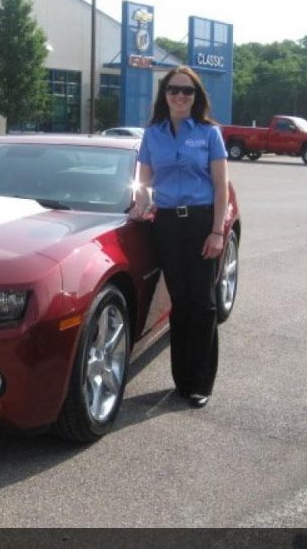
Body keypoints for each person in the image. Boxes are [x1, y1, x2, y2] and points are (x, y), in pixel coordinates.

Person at [129, 66, 229, 408]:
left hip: (201, 222)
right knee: (179, 302)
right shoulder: (152, 134)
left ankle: (200, 383)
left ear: (196, 96)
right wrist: (139, 205)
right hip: (167, 224)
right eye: (174, 90)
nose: (180, 96)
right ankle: (181, 380)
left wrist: (217, 231)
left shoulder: (208, 134)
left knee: (202, 304)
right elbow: (143, 181)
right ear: (165, 94)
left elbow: (220, 187)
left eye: (187, 91)